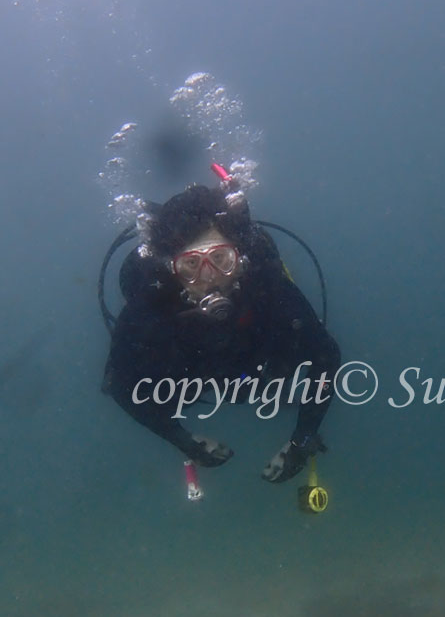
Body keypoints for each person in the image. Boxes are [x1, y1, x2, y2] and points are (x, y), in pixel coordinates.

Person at [102, 172, 340, 484]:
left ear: (239, 258)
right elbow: (119, 384)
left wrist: (303, 439)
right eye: (191, 264)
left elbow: (326, 357)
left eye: (220, 258)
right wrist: (181, 439)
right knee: (159, 387)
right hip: (189, 375)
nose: (209, 277)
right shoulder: (152, 302)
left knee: (280, 372)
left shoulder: (265, 284)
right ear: (172, 269)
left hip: (259, 362)